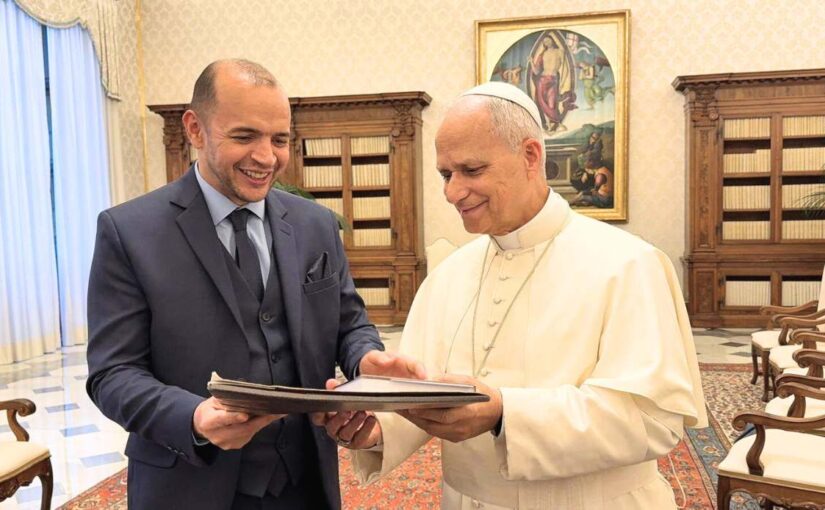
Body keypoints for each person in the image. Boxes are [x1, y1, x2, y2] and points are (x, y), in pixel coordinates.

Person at [316, 82, 707, 509]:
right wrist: (375, 428)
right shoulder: (448, 276)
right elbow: (419, 393)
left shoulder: (629, 263)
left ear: (530, 156)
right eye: (446, 174)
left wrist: (504, 413)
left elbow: (652, 419)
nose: (452, 192)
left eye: (471, 170)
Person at [86, 59, 422, 510]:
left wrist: (365, 358)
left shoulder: (317, 225)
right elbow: (112, 374)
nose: (266, 157)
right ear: (195, 129)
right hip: (187, 487)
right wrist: (193, 417)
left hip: (304, 485)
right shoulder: (128, 232)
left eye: (279, 139)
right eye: (244, 137)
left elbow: (349, 323)